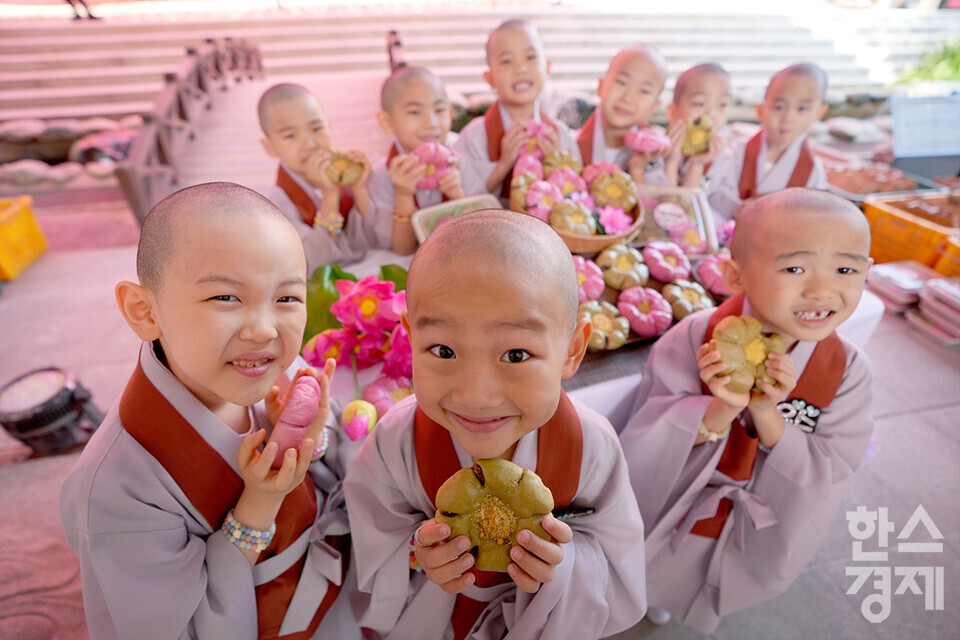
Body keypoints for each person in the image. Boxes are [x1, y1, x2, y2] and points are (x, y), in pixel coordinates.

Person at [60, 183, 359, 640]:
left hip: (338, 599)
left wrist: (306, 440)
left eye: (287, 298)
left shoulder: (274, 372)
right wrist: (259, 503)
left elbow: (337, 471)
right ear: (144, 310)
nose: (263, 330)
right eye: (226, 298)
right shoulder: (114, 487)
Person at [343, 210, 647, 640]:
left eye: (516, 355)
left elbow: (617, 559)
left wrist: (561, 566)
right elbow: (373, 544)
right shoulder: (395, 442)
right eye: (444, 351)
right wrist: (419, 555)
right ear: (410, 337)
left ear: (572, 350)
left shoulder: (591, 446)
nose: (476, 396)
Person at [618, 188, 874, 634]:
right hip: (684, 497)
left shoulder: (847, 368)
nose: (822, 289)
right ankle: (652, 596)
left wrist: (768, 415)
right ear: (735, 276)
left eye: (845, 269)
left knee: (725, 567)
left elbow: (834, 462)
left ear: (866, 273)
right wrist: (723, 407)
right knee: (660, 564)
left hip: (767, 508)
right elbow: (649, 429)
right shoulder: (695, 336)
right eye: (795, 268)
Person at [453, 19, 582, 204]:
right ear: (490, 78)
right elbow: (460, 200)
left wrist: (554, 164)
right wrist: (503, 164)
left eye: (530, 57)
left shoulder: (560, 136)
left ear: (547, 68)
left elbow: (576, 200)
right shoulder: (474, 136)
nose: (520, 69)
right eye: (506, 61)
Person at [367, 66, 487, 255]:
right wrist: (403, 195)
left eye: (438, 110)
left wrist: (458, 196)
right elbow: (403, 249)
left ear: (449, 114)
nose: (431, 122)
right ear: (387, 122)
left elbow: (483, 234)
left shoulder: (462, 156)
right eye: (415, 112)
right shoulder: (381, 176)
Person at [258, 83, 370, 272]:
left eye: (317, 129)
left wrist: (360, 189)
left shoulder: (346, 173)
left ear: (330, 128)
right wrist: (330, 196)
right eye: (290, 136)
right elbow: (316, 263)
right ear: (270, 147)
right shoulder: (274, 205)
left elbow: (378, 239)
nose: (309, 144)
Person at [706, 63, 830, 222]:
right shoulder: (735, 152)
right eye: (779, 107)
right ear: (761, 110)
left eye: (802, 109)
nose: (788, 118)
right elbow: (713, 192)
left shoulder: (813, 171)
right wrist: (736, 208)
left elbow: (811, 217)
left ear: (819, 113)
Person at [576, 45, 670, 185]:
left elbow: (654, 203)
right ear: (601, 86)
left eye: (644, 91)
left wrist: (637, 169)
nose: (627, 98)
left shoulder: (657, 150)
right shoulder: (571, 143)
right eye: (621, 82)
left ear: (654, 106)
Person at [662, 62, 733, 189]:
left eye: (722, 105)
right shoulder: (656, 148)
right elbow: (667, 200)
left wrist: (697, 164)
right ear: (672, 112)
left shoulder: (724, 157)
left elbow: (691, 203)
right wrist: (671, 161)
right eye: (699, 103)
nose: (711, 114)